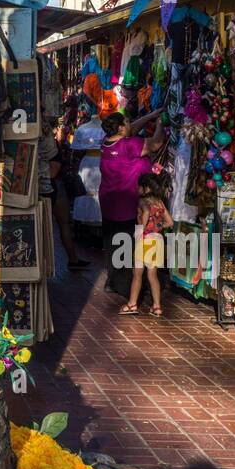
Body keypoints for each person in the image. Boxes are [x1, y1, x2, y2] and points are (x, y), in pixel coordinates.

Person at [99, 109, 166, 299]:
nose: (130, 125)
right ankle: (126, 287)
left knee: (113, 243)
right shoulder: (129, 146)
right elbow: (156, 143)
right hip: (126, 204)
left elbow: (131, 129)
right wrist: (159, 124)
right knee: (128, 245)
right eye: (127, 122)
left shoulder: (106, 142)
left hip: (109, 202)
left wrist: (150, 115)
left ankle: (113, 282)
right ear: (120, 128)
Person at [120, 172, 173, 317]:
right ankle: (157, 306)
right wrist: (157, 227)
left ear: (146, 188)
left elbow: (145, 214)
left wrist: (140, 232)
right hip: (158, 239)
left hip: (145, 239)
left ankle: (132, 304)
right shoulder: (159, 202)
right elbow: (170, 222)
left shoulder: (143, 201)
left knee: (137, 274)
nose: (137, 189)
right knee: (152, 274)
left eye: (139, 186)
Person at [49, 135, 90, 271]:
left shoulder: (49, 144)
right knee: (63, 223)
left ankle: (73, 258)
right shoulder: (51, 145)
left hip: (53, 186)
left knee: (63, 223)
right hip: (54, 186)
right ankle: (72, 259)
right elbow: (54, 171)